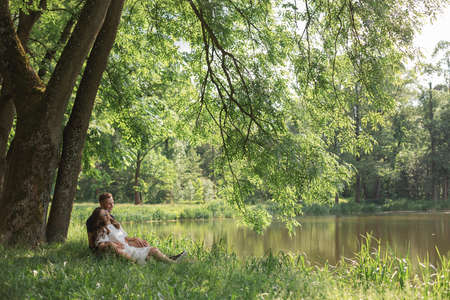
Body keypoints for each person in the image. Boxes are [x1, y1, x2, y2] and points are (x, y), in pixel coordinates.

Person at [90, 208, 185, 264]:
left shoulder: (116, 225)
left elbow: (125, 238)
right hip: (123, 251)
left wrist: (135, 239)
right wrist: (110, 243)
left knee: (151, 248)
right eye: (104, 215)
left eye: (107, 213)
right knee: (153, 251)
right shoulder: (102, 230)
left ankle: (171, 259)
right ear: (99, 219)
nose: (107, 215)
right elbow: (100, 245)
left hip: (128, 247)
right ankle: (173, 262)